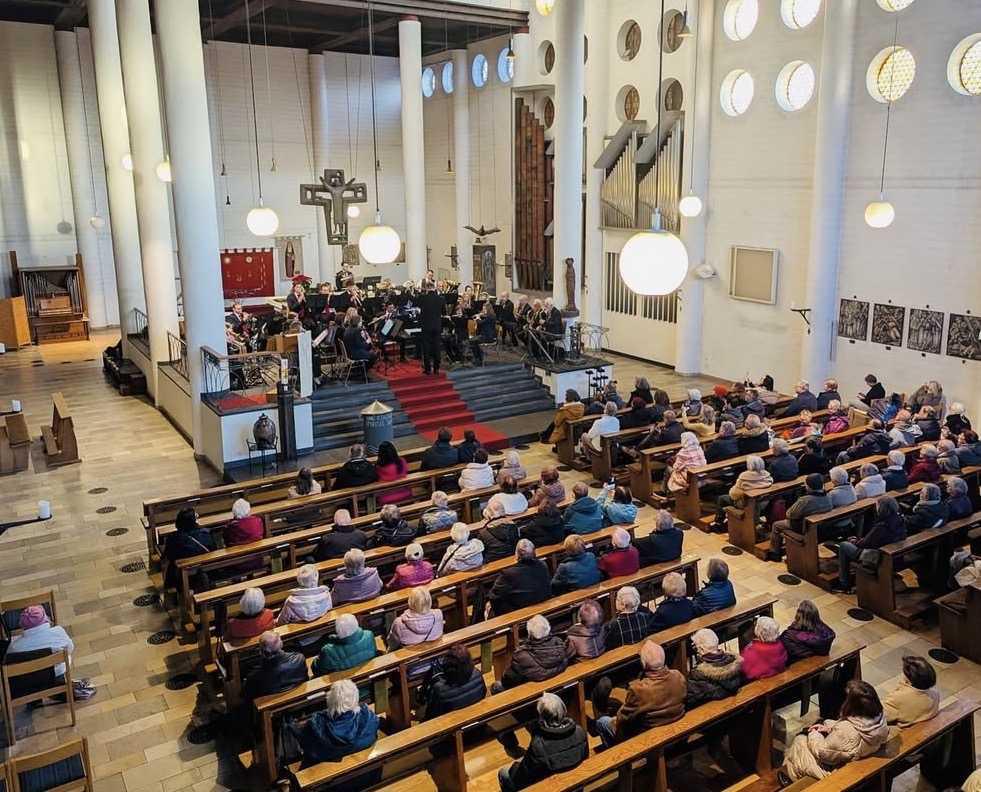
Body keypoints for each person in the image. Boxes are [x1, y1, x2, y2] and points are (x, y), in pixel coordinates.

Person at [780, 680, 889, 783]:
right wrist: (829, 727)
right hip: (861, 755)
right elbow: (851, 731)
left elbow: (821, 752)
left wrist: (814, 733)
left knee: (800, 742)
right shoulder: (879, 718)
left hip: (838, 770)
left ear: (853, 705)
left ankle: (791, 778)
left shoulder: (846, 731)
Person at [594, 640, 686, 747]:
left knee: (602, 722)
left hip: (648, 738)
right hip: (674, 724)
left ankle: (619, 758)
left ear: (643, 664)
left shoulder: (638, 690)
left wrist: (615, 718)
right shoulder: (678, 676)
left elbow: (622, 719)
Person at [497, 693, 588, 792]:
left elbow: (521, 777)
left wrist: (514, 767)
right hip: (576, 784)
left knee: (504, 773)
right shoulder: (580, 731)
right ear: (563, 710)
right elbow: (585, 758)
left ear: (541, 717)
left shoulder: (539, 745)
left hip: (553, 787)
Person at [294, 678, 379, 765]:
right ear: (356, 698)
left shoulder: (316, 726)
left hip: (325, 769)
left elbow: (308, 749)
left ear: (329, 701)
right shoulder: (370, 718)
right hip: (364, 766)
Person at [832, 496, 905, 592]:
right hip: (895, 555)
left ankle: (844, 583)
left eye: (877, 506)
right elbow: (872, 539)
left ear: (882, 508)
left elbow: (864, 544)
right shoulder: (900, 519)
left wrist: (854, 541)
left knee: (844, 545)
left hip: (877, 557)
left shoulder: (882, 526)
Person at [767, 473, 832, 560]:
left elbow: (790, 514)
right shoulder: (828, 496)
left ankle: (774, 553)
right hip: (821, 527)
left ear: (809, 486)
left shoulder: (805, 500)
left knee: (776, 525)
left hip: (803, 528)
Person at [498, 615, 568, 689]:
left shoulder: (521, 656)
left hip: (532, 688)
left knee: (497, 686)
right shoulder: (560, 643)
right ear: (548, 628)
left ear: (529, 634)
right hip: (557, 683)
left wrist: (504, 678)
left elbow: (509, 679)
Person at [421, 643, 487, 721]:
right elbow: (483, 694)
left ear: (447, 666)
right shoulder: (477, 674)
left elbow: (432, 715)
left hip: (453, 724)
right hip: (477, 718)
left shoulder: (440, 689)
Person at [10, 606, 75, 679]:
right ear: (45, 618)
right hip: (57, 672)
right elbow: (70, 648)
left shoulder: (15, 647)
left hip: (31, 679)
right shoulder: (58, 632)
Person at [243, 631, 309, 703]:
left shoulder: (255, 676)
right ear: (281, 644)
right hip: (299, 698)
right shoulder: (299, 659)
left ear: (261, 650)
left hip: (272, 705)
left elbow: (246, 694)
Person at [685, 628, 743, 708]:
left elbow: (691, 700)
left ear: (701, 649)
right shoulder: (735, 662)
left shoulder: (698, 674)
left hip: (710, 711)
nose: (696, 650)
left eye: (695, 647)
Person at [489, 539, 551, 615]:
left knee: (490, 605)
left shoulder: (508, 573)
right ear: (534, 553)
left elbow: (494, 596)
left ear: (517, 555)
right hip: (542, 604)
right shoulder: (543, 565)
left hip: (520, 612)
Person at [714, 455, 774, 527]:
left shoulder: (744, 476)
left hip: (747, 504)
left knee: (721, 498)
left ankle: (719, 523)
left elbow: (733, 494)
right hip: (763, 503)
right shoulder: (767, 475)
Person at [163, 507, 215, 587]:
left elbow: (169, 556)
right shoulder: (206, 534)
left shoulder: (173, 538)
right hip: (207, 572)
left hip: (182, 577)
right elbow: (213, 549)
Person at [882, 655, 940, 727]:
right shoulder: (935, 693)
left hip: (909, 731)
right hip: (926, 725)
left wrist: (901, 688)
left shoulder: (898, 697)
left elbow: (884, 716)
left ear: (909, 679)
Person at [602, 586, 657, 650]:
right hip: (645, 651)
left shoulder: (611, 626)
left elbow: (607, 647)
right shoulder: (646, 617)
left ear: (621, 604)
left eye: (616, 599)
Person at [740, 616, 788, 680]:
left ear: (757, 631)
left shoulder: (751, 650)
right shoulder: (780, 645)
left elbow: (745, 670)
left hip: (758, 683)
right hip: (779, 677)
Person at [417, 279, 445, 375]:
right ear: (434, 288)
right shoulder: (441, 299)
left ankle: (428, 369)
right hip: (437, 326)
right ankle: (436, 368)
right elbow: (443, 312)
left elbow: (418, 305)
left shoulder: (423, 298)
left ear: (427, 288)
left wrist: (421, 291)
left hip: (426, 326)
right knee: (437, 347)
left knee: (426, 348)